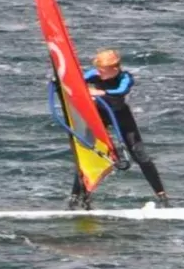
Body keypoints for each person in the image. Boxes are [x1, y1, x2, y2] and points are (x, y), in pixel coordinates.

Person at [67, 48, 170, 209]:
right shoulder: (93, 74)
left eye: (103, 71)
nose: (99, 73)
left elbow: (120, 91)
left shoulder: (125, 77)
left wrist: (99, 92)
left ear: (114, 69)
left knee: (140, 154)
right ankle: (77, 198)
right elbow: (73, 82)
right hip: (98, 116)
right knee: (87, 155)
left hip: (120, 116)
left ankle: (162, 197)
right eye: (98, 70)